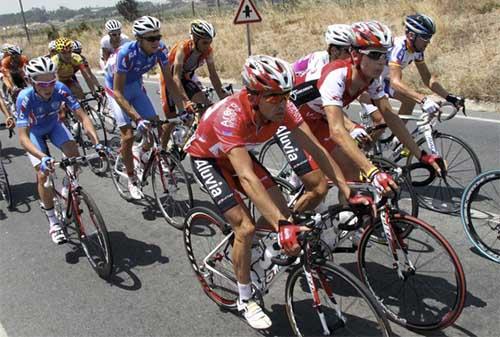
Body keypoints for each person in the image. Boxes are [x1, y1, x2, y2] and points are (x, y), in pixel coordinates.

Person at [186, 55, 373, 330]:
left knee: (283, 211)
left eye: (286, 95)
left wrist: (347, 189)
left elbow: (317, 149)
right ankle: (245, 298)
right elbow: (248, 178)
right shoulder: (231, 115)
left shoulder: (285, 109)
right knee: (246, 227)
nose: (283, 103)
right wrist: (282, 226)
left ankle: (251, 253)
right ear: (253, 96)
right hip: (209, 159)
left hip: (237, 156)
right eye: (274, 96)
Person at [280, 21, 445, 213]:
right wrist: (373, 171)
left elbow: (389, 116)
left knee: (353, 176)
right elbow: (337, 130)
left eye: (385, 54)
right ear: (355, 54)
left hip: (316, 119)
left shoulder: (370, 78)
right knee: (319, 189)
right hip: (289, 122)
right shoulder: (336, 75)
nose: (382, 61)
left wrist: (422, 155)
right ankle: (284, 234)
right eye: (374, 55)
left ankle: (347, 225)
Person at [14, 56, 103, 244]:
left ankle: (68, 185)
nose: (48, 87)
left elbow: (83, 117)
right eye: (42, 83)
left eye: (51, 82)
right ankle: (53, 222)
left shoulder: (61, 89)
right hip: (34, 133)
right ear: (31, 81)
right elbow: (22, 137)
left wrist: (97, 142)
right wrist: (42, 157)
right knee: (43, 175)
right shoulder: (24, 98)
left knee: (74, 154)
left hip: (54, 126)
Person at [104, 16, 190, 200]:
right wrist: (137, 119)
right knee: (127, 135)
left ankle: (141, 152)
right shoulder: (126, 53)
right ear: (139, 39)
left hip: (135, 85)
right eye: (151, 39)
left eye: (158, 36)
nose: (156, 41)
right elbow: (118, 92)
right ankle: (132, 179)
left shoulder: (160, 49)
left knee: (156, 126)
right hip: (116, 89)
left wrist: (182, 111)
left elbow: (169, 81)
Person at [383, 13, 465, 117]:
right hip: (368, 82)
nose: (429, 41)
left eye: (430, 37)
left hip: (380, 80)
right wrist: (423, 100)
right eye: (425, 37)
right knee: (382, 120)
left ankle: (398, 133)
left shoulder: (417, 50)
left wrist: (449, 97)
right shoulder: (399, 48)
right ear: (411, 35)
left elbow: (427, 78)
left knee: (409, 102)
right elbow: (395, 82)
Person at [160, 19, 228, 115]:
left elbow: (213, 75)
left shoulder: (208, 51)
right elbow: (176, 77)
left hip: (186, 78)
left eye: (210, 42)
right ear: (195, 39)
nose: (208, 46)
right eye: (204, 43)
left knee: (205, 106)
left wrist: (223, 97)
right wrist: (186, 101)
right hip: (170, 79)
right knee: (173, 119)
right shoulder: (183, 48)